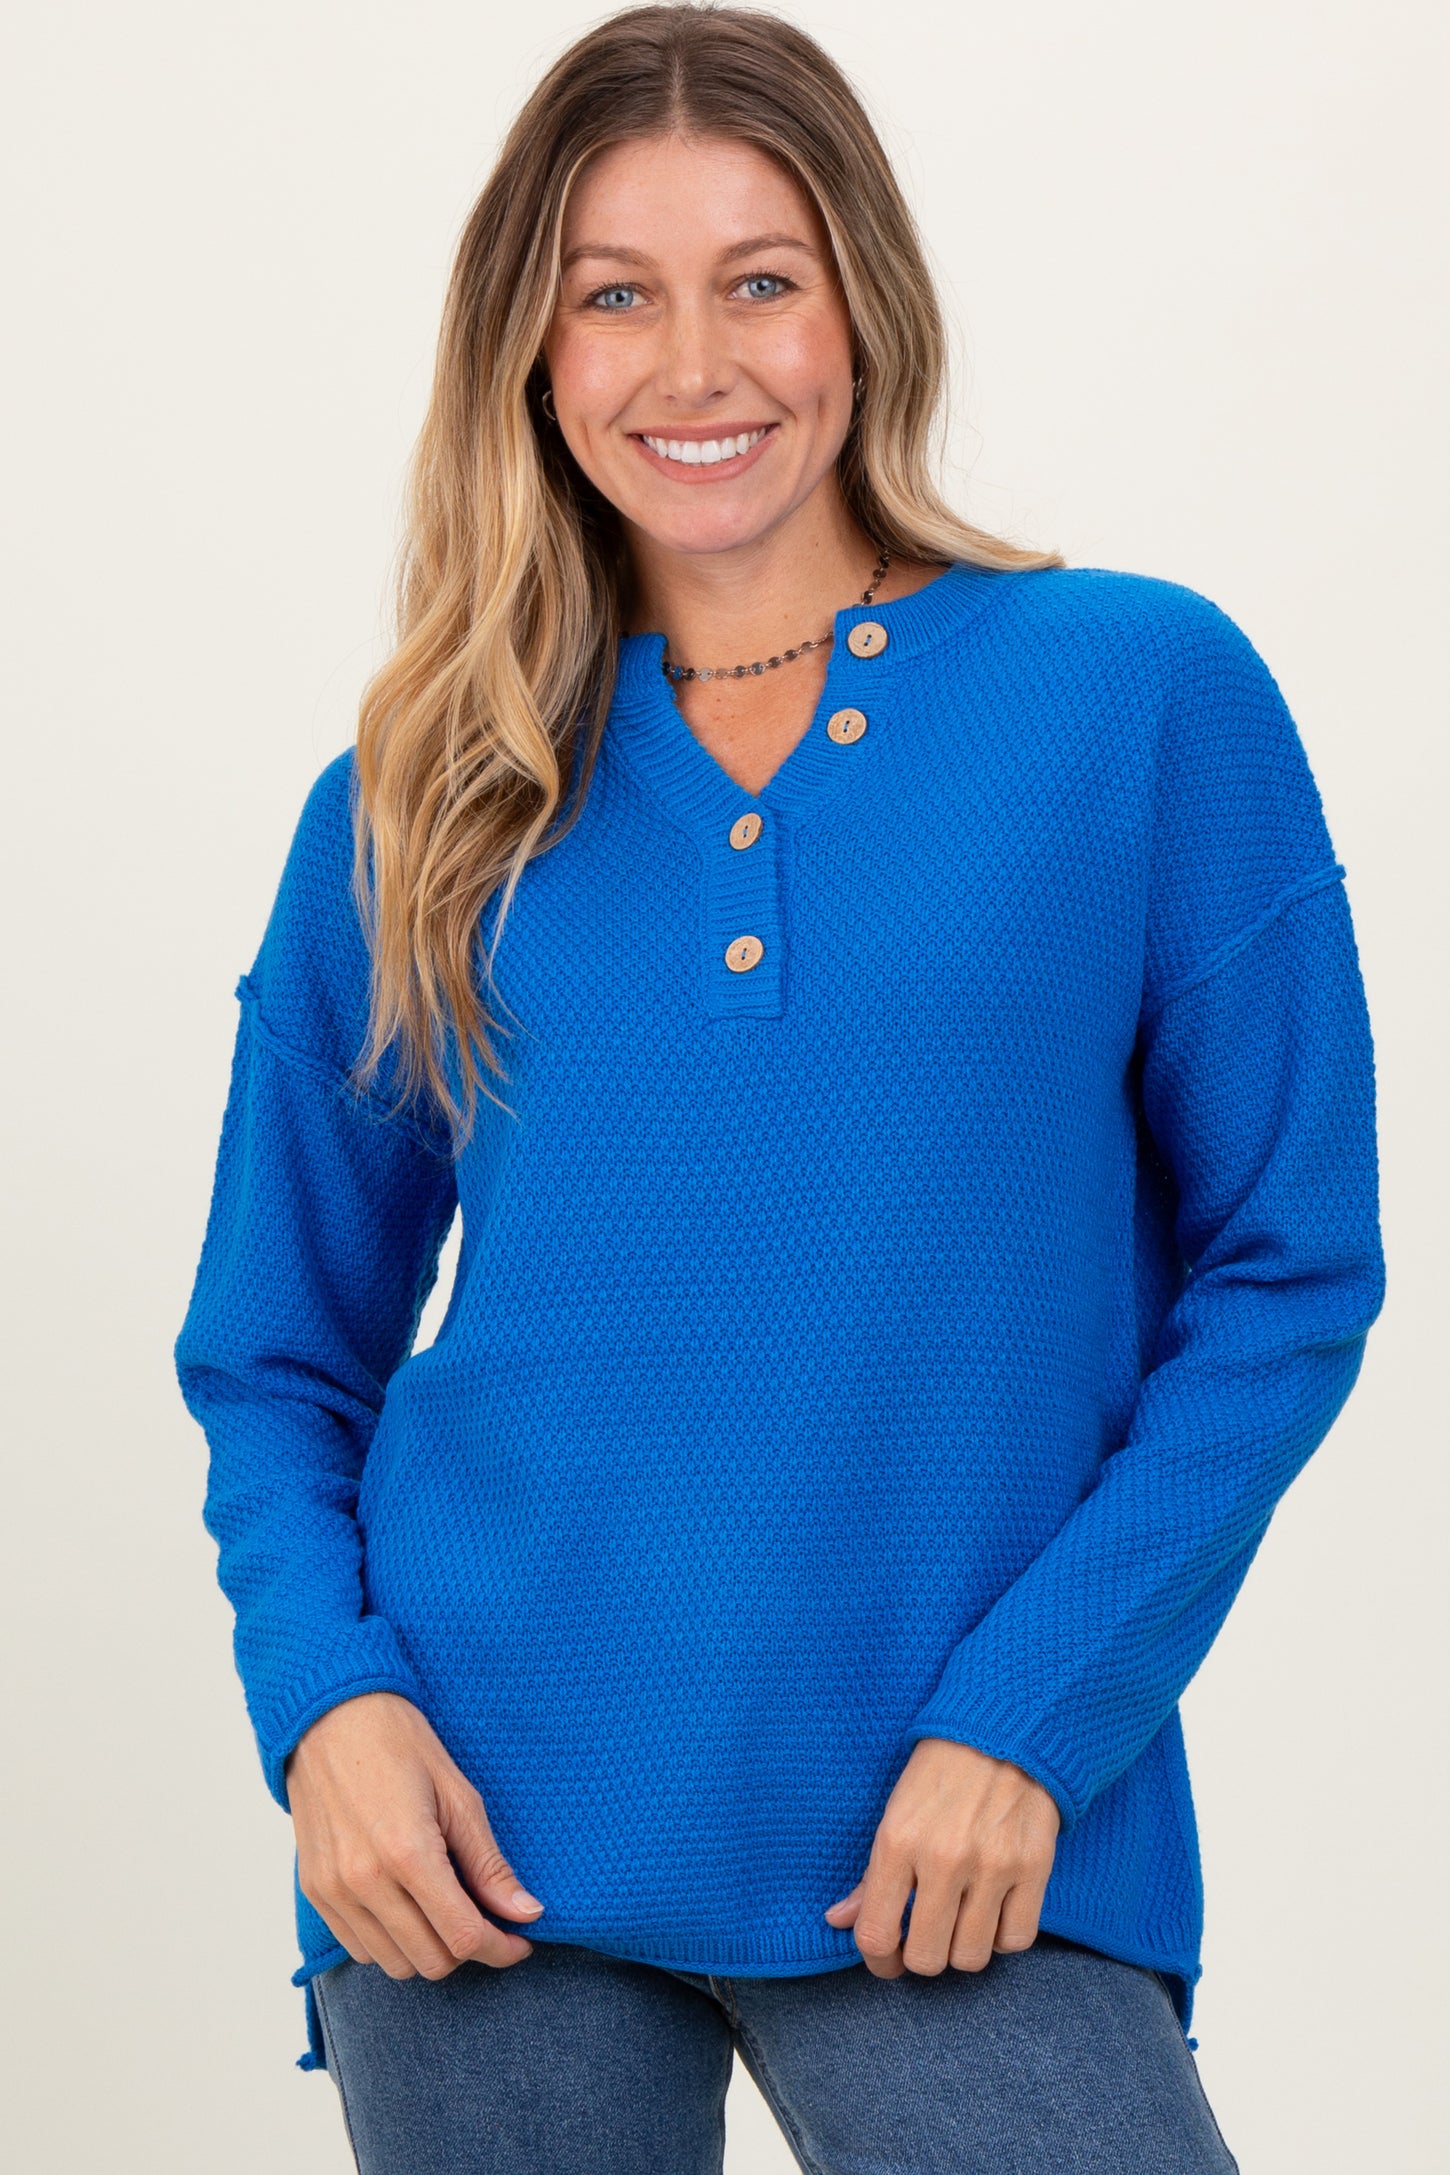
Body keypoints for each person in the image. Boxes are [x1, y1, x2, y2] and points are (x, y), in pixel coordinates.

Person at [172, 6, 1385, 2170]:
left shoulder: (1134, 696)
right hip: (471, 1844)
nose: (692, 363)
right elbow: (273, 1353)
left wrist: (1033, 1718)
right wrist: (326, 1711)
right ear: (529, 351)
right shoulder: (419, 791)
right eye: (611, 296)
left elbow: (1286, 1274)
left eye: (758, 280)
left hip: (964, 1826)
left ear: (861, 306)